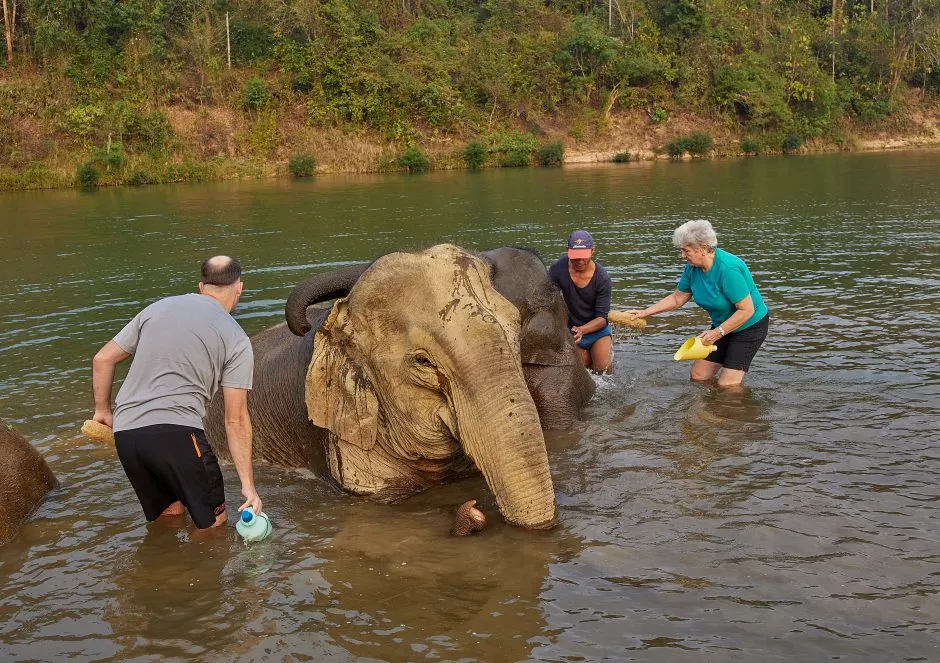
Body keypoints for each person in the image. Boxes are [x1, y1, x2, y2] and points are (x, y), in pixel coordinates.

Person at [91, 256, 262, 530]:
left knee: (168, 521)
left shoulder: (156, 309)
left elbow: (102, 360)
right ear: (239, 287)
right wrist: (248, 486)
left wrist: (102, 411)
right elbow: (236, 419)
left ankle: (165, 558)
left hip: (127, 435)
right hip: (177, 434)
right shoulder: (236, 338)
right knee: (214, 528)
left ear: (201, 286)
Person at [626, 220, 769, 387]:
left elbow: (746, 310)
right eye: (682, 250)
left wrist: (717, 333)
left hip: (749, 326)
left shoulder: (728, 269)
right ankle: (710, 401)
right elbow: (678, 298)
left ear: (703, 248)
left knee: (727, 384)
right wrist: (645, 312)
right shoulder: (692, 268)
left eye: (686, 251)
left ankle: (733, 403)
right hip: (722, 325)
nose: (682, 256)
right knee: (699, 375)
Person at [549, 229, 613, 373]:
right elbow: (547, 297)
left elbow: (602, 318)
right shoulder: (557, 269)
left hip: (597, 331)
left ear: (593, 251)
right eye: (575, 257)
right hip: (572, 330)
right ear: (567, 251)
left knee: (603, 370)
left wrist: (582, 330)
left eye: (584, 257)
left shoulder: (602, 278)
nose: (580, 261)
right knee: (581, 371)